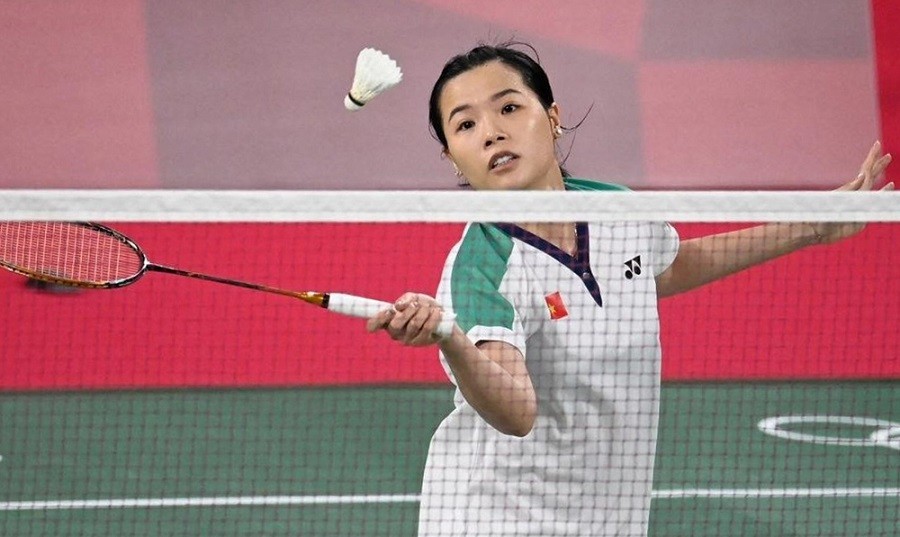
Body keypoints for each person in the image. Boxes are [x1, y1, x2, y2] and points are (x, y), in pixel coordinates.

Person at [366, 43, 893, 537]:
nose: (491, 133)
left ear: (552, 116)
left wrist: (811, 227)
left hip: (606, 516)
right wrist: (450, 337)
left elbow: (668, 266)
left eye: (508, 108)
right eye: (465, 124)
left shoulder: (616, 208)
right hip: (502, 519)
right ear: (453, 157)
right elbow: (516, 411)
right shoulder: (483, 262)